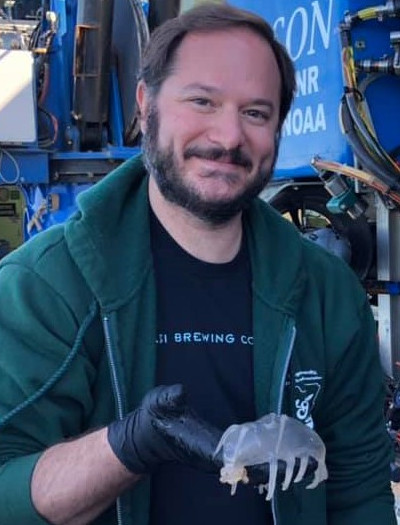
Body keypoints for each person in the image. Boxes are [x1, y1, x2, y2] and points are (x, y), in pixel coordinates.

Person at [0, 3, 395, 525]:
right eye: (202, 101)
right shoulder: (45, 286)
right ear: (146, 104)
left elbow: (360, 493)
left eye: (256, 113)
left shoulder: (327, 295)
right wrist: (128, 446)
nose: (228, 137)